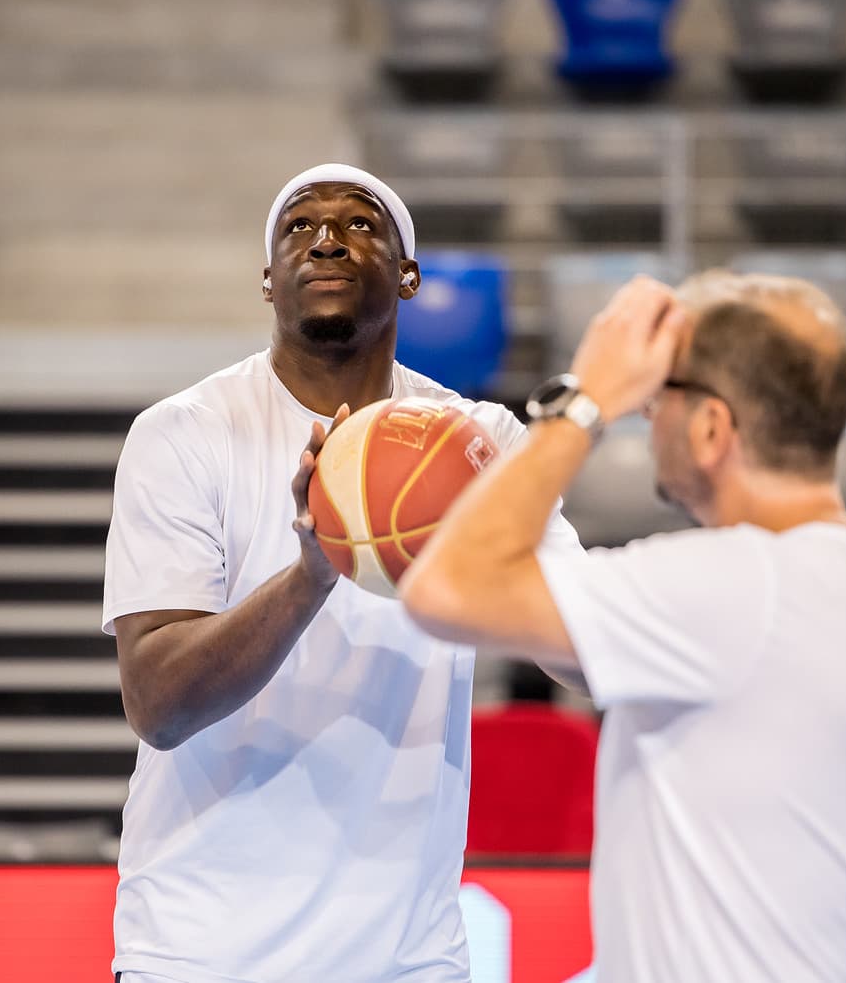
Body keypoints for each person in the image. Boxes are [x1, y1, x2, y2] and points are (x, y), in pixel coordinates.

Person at [400, 271, 846, 983]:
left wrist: (584, 401)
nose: (646, 413)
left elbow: (445, 585)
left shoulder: (725, 586)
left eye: (660, 393)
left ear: (712, 428)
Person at [101, 163, 582, 983]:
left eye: (361, 224)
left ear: (409, 275)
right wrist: (311, 572)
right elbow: (159, 704)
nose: (326, 237)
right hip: (201, 951)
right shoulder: (181, 435)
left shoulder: (480, 445)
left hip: (408, 958)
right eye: (298, 227)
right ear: (267, 280)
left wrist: (503, 564)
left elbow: (585, 654)